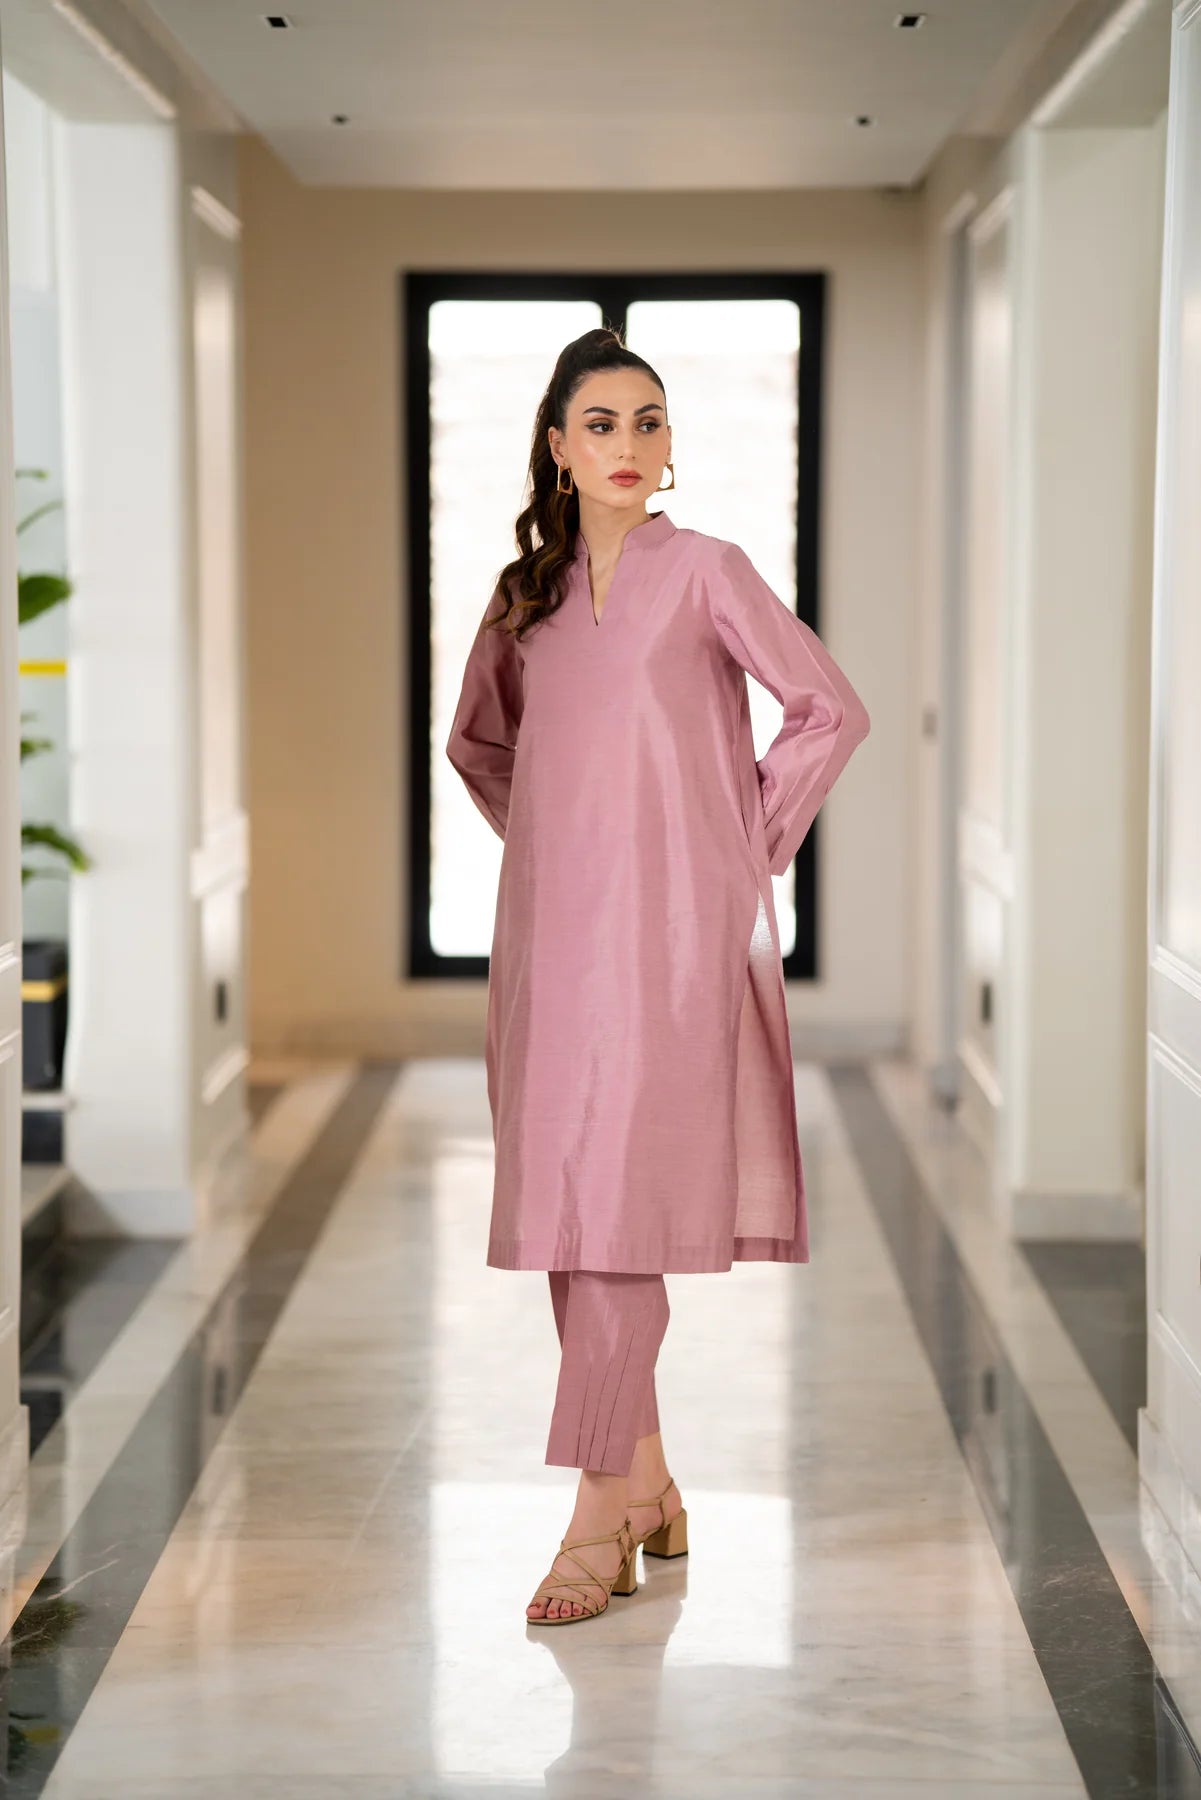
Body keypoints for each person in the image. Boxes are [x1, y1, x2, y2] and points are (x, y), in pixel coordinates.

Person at [445, 326, 871, 1626]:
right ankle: (649, 1486)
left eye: (649, 421)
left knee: (619, 1216)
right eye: (602, 424)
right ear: (558, 448)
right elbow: (477, 746)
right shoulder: (523, 598)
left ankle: (594, 1517)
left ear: (669, 443)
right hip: (551, 940)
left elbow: (828, 709)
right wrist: (560, 843)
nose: (629, 444)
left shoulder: (708, 573)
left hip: (675, 942)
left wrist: (736, 840)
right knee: (573, 1216)